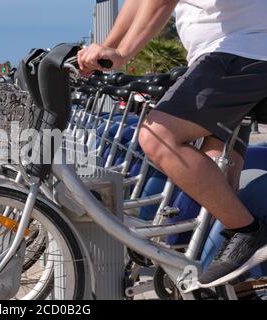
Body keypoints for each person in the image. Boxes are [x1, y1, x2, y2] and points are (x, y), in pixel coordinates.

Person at [78, 0, 267, 285]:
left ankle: (246, 231)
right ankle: (233, 284)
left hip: (242, 53)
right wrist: (105, 48)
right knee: (216, 179)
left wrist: (121, 52)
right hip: (225, 55)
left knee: (158, 137)